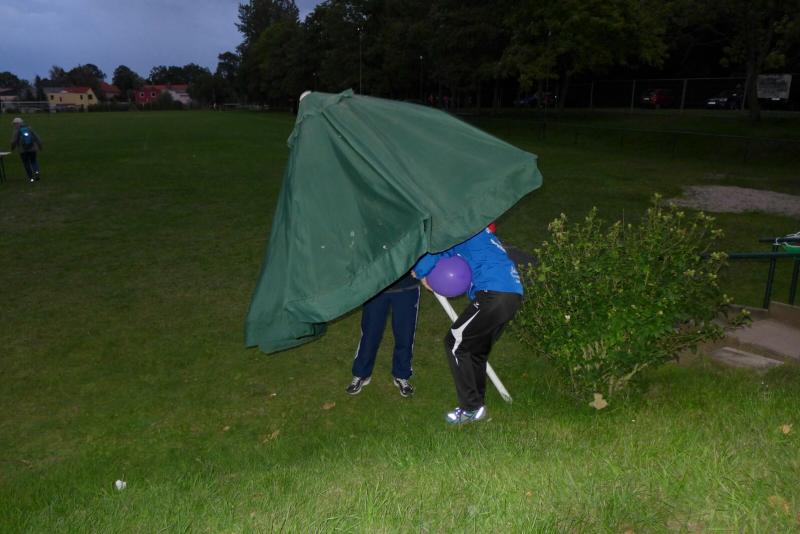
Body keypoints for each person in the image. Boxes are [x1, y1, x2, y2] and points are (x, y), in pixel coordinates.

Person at [412, 228, 522, 425]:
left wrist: (419, 271)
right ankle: (477, 407)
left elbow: (439, 249)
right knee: (475, 351)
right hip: (511, 294)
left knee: (454, 343)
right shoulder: (481, 232)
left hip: (494, 293)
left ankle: (470, 408)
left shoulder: (462, 230)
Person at [346, 272, 420, 397]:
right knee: (370, 333)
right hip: (375, 286)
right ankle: (361, 374)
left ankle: (402, 374)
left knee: (405, 334)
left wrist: (422, 270)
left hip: (407, 285)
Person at [10, 117, 42, 183]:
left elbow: (13, 141)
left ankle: (31, 178)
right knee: (33, 162)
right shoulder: (29, 128)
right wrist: (39, 146)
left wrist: (12, 147)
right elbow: (36, 137)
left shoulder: (16, 131)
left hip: (23, 151)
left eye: (14, 124)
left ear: (16, 124)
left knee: (26, 164)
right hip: (32, 149)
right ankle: (36, 173)